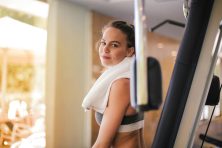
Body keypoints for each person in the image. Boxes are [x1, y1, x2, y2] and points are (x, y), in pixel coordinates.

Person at [82, 20, 146, 148]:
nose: (105, 49)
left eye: (114, 45)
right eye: (104, 43)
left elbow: (102, 144)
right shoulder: (127, 75)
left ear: (129, 51)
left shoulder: (122, 84)